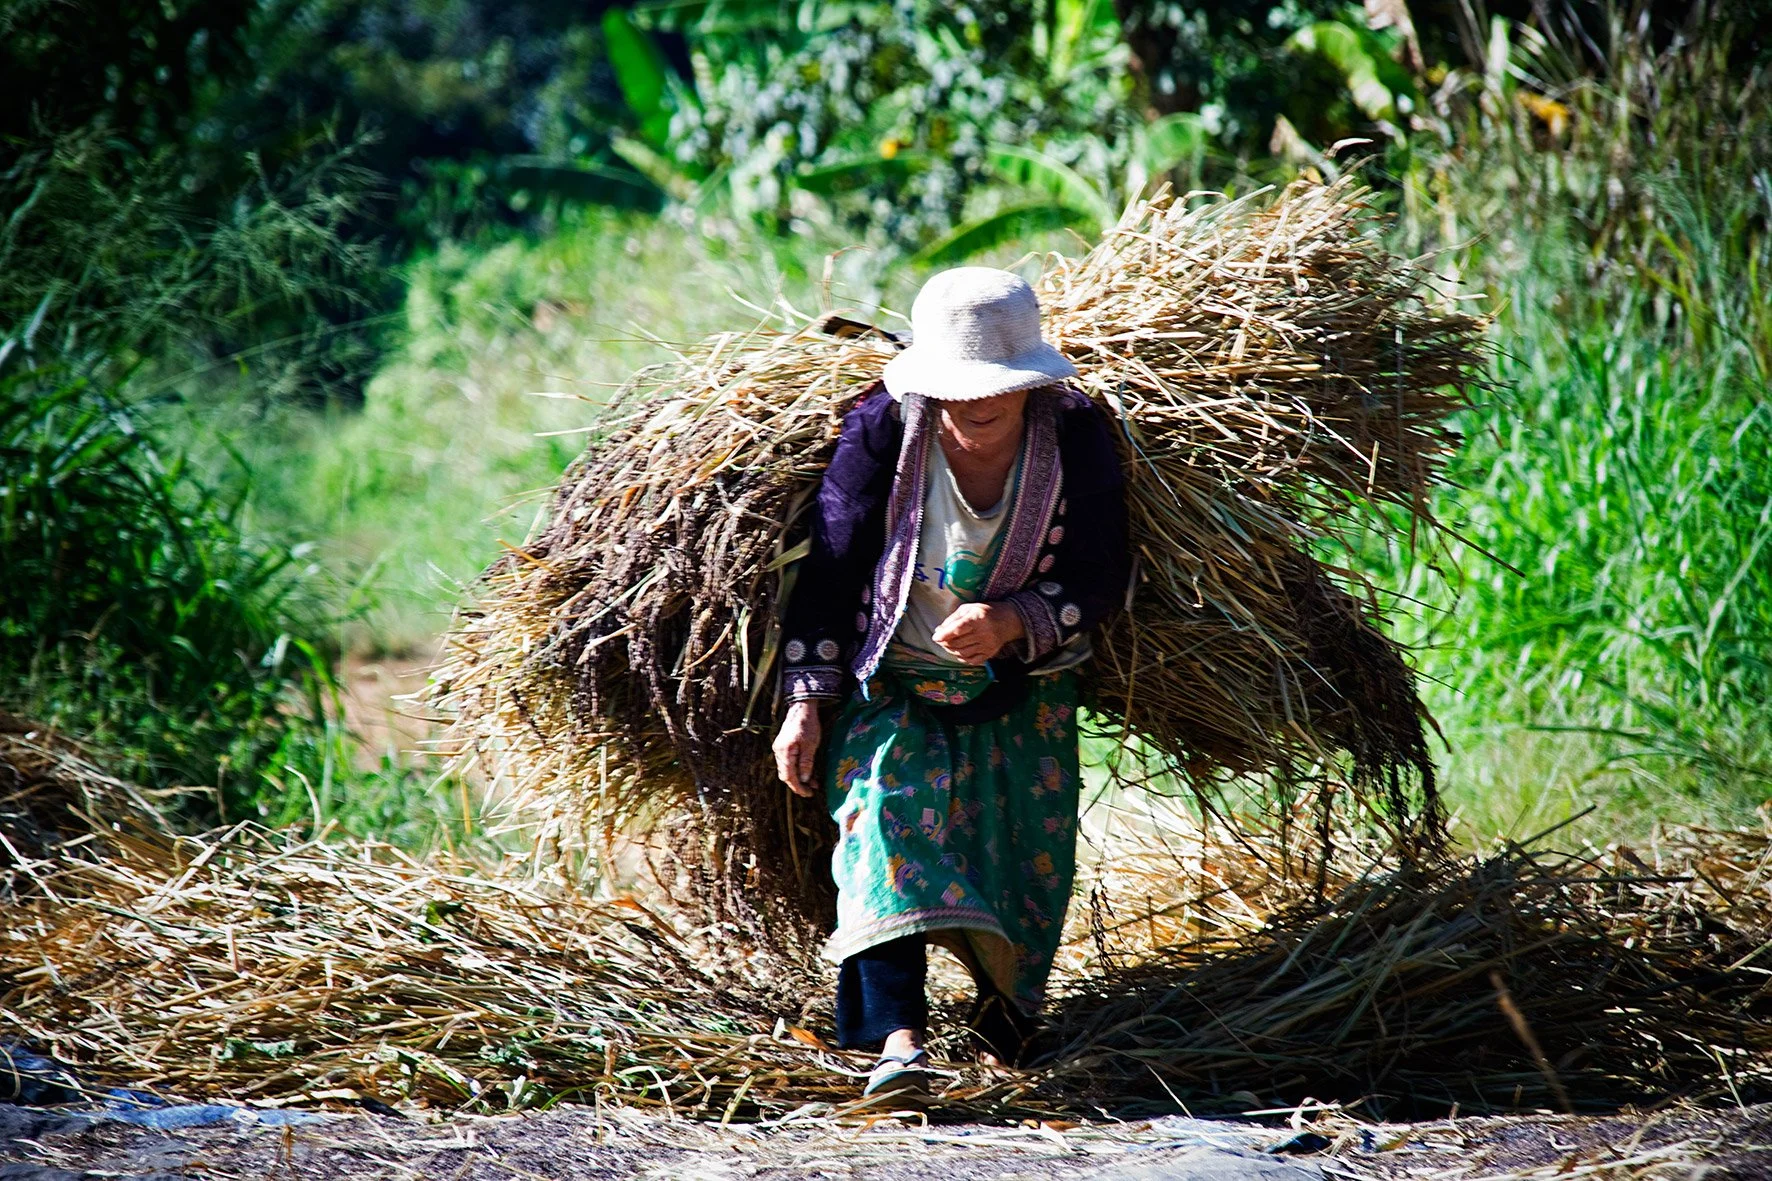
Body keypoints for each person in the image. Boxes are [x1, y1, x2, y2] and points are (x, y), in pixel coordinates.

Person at [772, 266, 1130, 1100]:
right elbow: (828, 569)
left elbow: (1102, 572)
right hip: (893, 677)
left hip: (1024, 680)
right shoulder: (883, 429)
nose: (973, 416)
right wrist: (804, 704)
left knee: (1023, 856)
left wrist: (1011, 622)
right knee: (880, 823)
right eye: (957, 398)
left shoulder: (1074, 433)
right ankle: (899, 1041)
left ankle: (1008, 1024)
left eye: (993, 400)